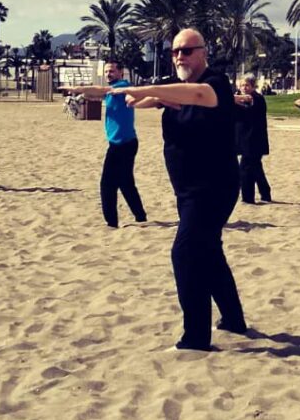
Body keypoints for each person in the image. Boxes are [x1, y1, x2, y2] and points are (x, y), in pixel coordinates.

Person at [79, 29, 245, 351]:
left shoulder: (215, 84)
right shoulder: (177, 91)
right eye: (175, 52)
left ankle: (196, 338)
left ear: (203, 52)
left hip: (213, 188)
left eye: (187, 50)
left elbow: (197, 96)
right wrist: (147, 96)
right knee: (209, 251)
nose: (180, 56)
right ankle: (233, 319)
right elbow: (138, 101)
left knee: (184, 253)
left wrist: (149, 90)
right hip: (187, 190)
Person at [67, 60, 147, 228]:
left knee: (107, 184)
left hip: (123, 145)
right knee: (125, 183)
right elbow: (99, 94)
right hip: (123, 143)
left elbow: (102, 90)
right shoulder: (112, 91)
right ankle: (140, 217)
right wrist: (81, 96)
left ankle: (111, 222)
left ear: (120, 72)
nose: (108, 74)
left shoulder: (122, 86)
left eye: (111, 71)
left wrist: (79, 88)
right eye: (106, 72)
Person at [234, 74, 271, 204]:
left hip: (254, 140)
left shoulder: (257, 98)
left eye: (247, 85)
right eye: (242, 85)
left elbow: (248, 105)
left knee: (245, 168)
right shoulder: (238, 99)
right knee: (255, 167)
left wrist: (233, 99)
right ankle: (265, 193)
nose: (244, 88)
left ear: (253, 86)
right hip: (244, 139)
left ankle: (248, 197)